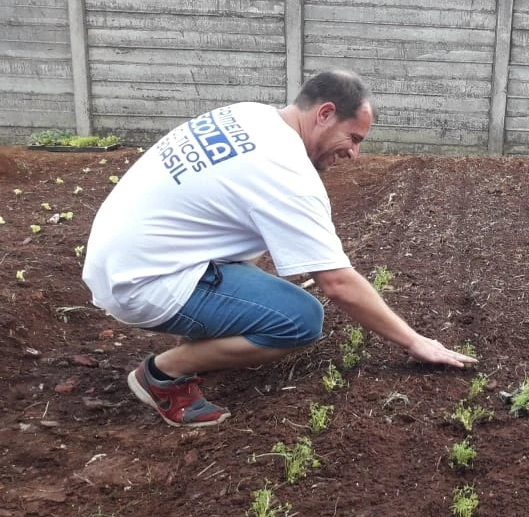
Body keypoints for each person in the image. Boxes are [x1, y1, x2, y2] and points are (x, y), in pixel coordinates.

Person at [82, 70, 478, 428]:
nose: (354, 153)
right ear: (325, 113)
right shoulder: (286, 171)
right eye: (353, 138)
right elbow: (337, 282)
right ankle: (164, 374)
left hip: (117, 257)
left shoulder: (249, 115)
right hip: (144, 282)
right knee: (299, 318)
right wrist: (414, 341)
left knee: (255, 274)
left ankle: (202, 343)